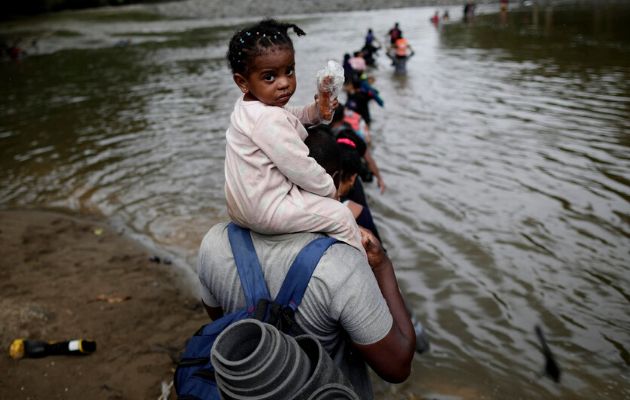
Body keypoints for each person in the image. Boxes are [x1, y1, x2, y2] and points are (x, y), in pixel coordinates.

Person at [198, 141, 415, 400]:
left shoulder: (214, 242)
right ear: (334, 180)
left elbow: (219, 318)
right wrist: (382, 265)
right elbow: (398, 366)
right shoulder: (341, 264)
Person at [223, 18, 365, 255]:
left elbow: (291, 116)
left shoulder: (249, 107)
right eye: (270, 77)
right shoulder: (269, 119)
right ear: (242, 82)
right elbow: (301, 166)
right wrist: (332, 192)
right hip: (266, 210)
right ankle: (358, 265)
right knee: (340, 217)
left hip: (241, 207)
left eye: (289, 71)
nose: (284, 83)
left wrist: (318, 110)